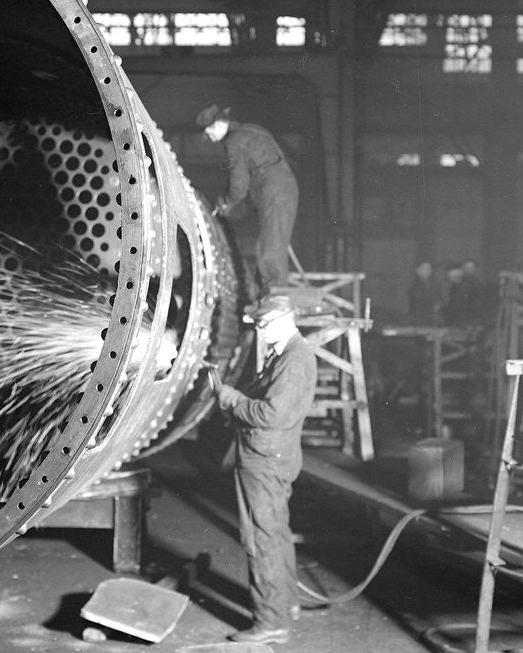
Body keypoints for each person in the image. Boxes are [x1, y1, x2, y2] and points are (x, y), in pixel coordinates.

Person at [215, 294, 317, 645]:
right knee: (276, 532)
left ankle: (270, 621)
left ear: (284, 319)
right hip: (273, 456)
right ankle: (287, 605)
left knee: (261, 538)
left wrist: (231, 399)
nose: (261, 332)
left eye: (263, 325)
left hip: (265, 459)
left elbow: (271, 414)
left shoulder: (294, 360)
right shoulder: (286, 355)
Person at [197, 104, 299, 295]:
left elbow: (239, 185)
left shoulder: (234, 141)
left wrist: (225, 203)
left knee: (270, 248)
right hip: (280, 189)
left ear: (219, 124)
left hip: (274, 191)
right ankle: (271, 295)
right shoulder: (250, 130)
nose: (209, 137)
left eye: (209, 131)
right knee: (271, 244)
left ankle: (276, 301)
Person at [407, 260, 440, 325]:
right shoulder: (415, 286)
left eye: (429, 269)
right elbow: (419, 304)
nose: (427, 271)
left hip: (429, 320)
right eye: (425, 268)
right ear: (418, 271)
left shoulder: (431, 284)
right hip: (419, 321)